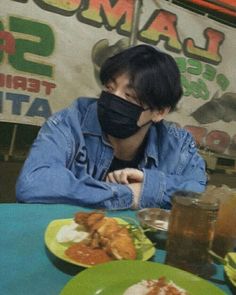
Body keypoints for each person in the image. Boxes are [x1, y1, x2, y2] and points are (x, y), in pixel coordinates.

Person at [16, 44, 207, 210]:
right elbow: (33, 183)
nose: (114, 98)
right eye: (109, 87)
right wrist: (127, 194)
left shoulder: (177, 144)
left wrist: (150, 187)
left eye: (129, 95)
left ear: (159, 112)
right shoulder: (69, 122)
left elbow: (201, 195)